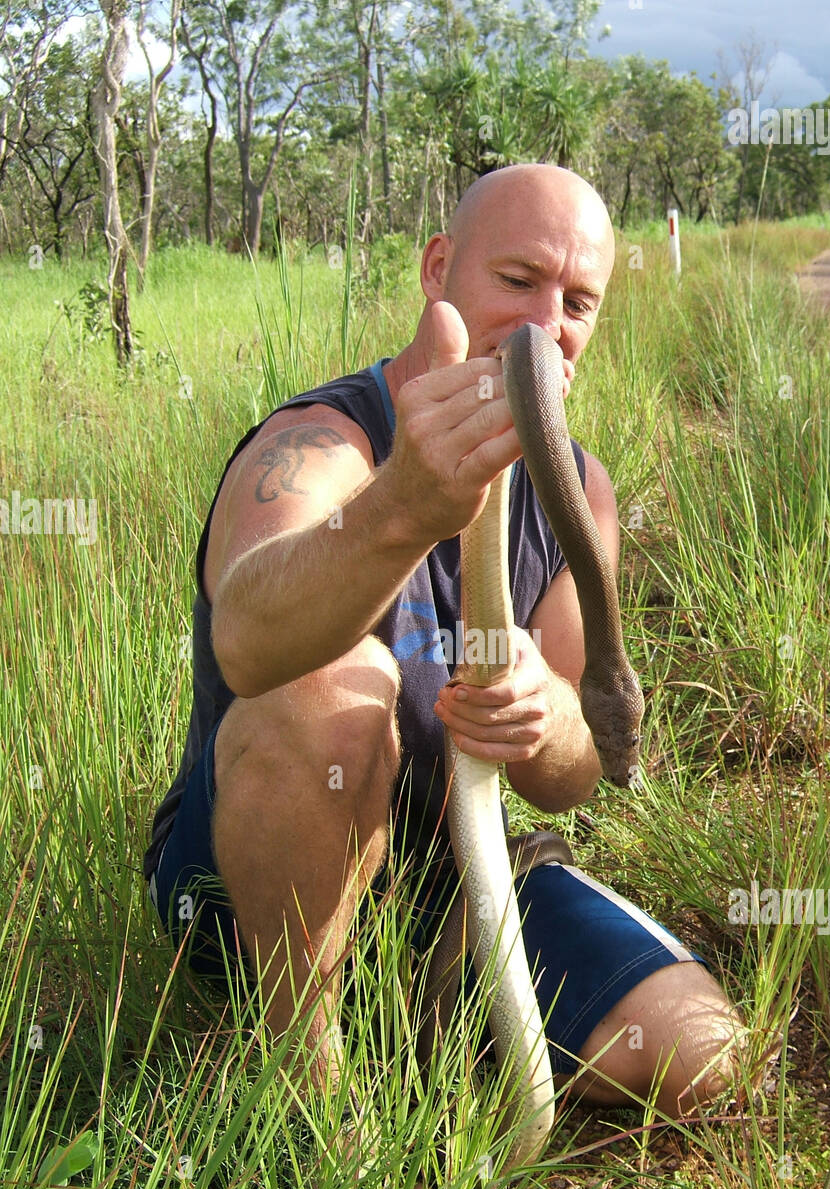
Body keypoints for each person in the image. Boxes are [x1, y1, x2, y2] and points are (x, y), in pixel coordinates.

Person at [143, 162, 746, 1122]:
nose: (548, 323)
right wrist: (405, 506)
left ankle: (420, 1005)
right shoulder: (328, 440)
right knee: (333, 686)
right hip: (241, 884)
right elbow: (248, 643)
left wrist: (547, 718)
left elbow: (576, 774)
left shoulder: (578, 494)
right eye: (518, 280)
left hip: (455, 883)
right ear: (438, 271)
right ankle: (305, 1086)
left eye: (578, 299)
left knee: (700, 1050)